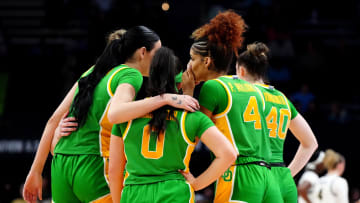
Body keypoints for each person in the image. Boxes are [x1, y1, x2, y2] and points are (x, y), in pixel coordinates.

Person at [23, 26, 198, 203]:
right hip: (93, 165)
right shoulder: (130, 74)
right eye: (157, 52)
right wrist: (165, 98)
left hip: (61, 165)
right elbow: (116, 114)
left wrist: (36, 171)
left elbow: (54, 120)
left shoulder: (92, 72)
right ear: (142, 52)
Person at [108, 47, 237, 203]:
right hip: (175, 193)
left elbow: (114, 171)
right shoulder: (193, 118)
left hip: (134, 194)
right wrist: (197, 184)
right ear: (180, 84)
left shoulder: (126, 117)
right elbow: (228, 154)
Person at [181, 10, 283, 203]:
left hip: (239, 176)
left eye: (192, 59)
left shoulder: (213, 87)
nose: (189, 65)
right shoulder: (249, 87)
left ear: (207, 61)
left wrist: (187, 93)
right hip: (269, 177)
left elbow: (191, 134)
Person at [236, 42, 318, 202]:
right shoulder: (281, 97)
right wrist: (288, 173)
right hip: (283, 178)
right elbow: (311, 143)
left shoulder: (243, 95)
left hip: (255, 176)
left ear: (241, 70)